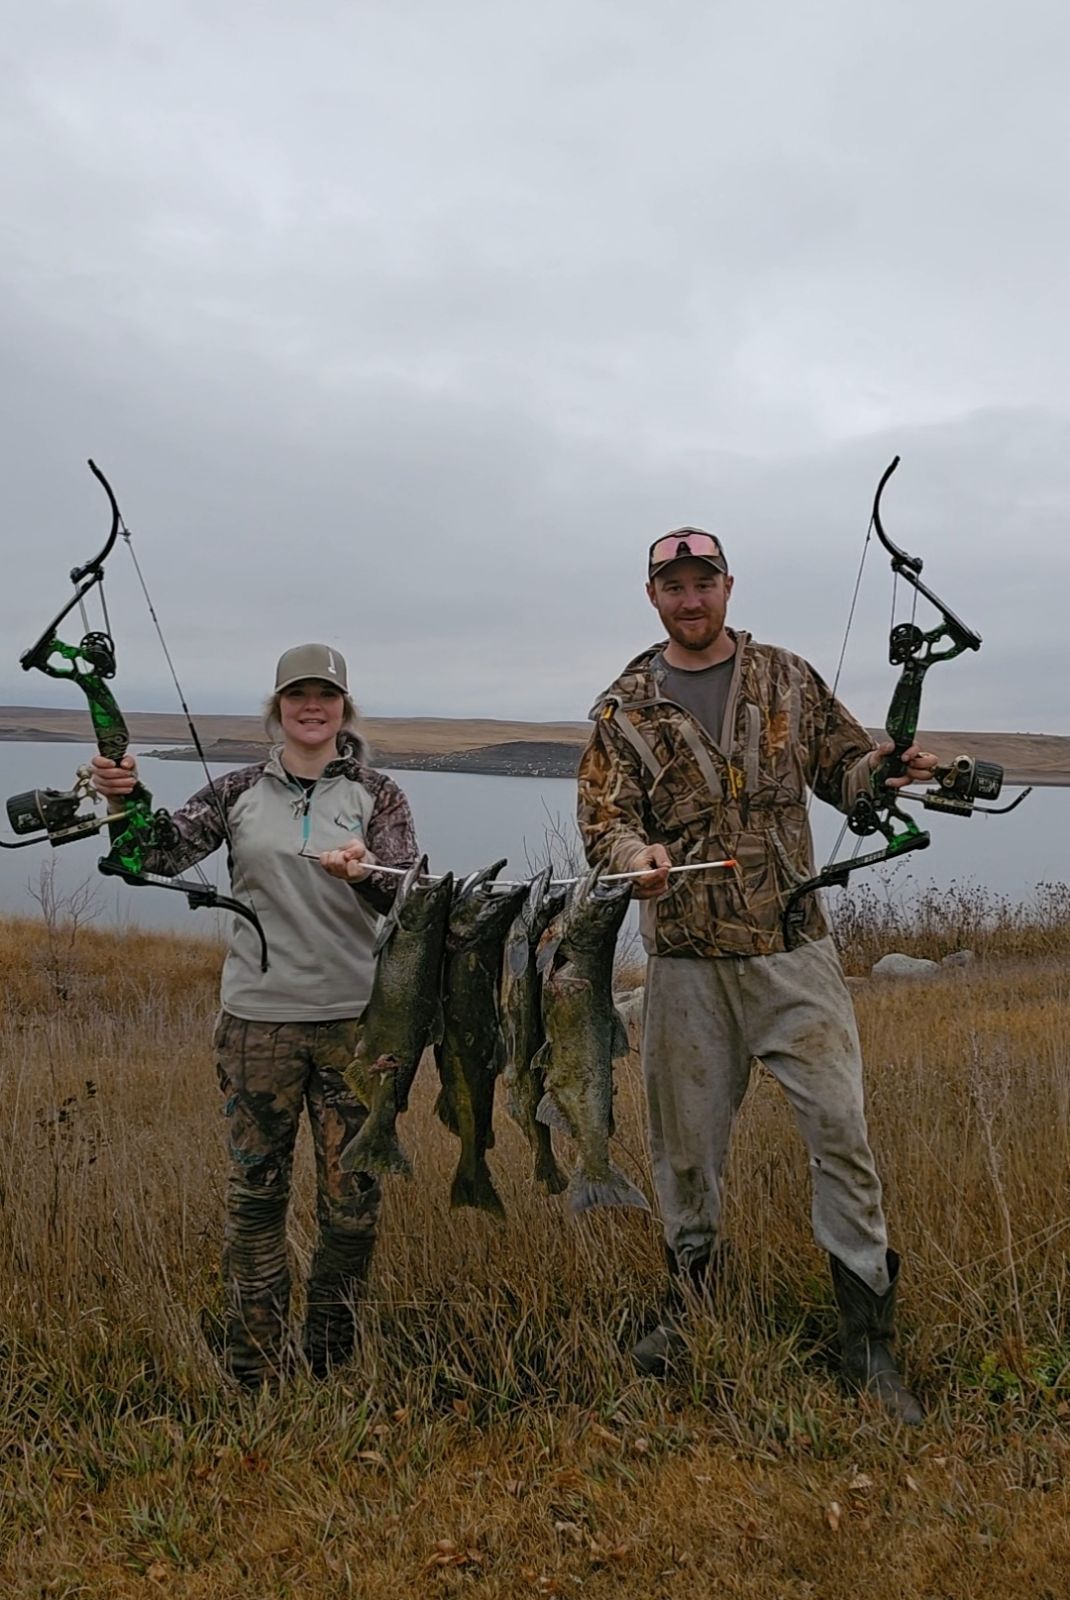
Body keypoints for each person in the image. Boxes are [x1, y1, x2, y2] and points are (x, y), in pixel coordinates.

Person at [577, 528, 934, 1424]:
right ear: (652, 596)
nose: (690, 599)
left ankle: (868, 1343)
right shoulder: (623, 708)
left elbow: (844, 770)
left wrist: (881, 772)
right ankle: (691, 1307)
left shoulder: (786, 676)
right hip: (686, 968)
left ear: (728, 587)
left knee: (842, 1135)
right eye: (674, 586)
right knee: (683, 1154)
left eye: (704, 583)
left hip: (792, 954)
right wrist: (636, 853)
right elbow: (603, 822)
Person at [91, 643, 418, 1387]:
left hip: (357, 1030)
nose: (313, 707)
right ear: (277, 707)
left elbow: (410, 893)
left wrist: (366, 874)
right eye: (298, 695)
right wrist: (122, 795)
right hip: (257, 1026)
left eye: (326, 696)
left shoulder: (380, 794)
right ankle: (253, 1366)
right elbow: (153, 857)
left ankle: (330, 1359)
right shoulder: (236, 790)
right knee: (255, 1199)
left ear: (344, 708)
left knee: (352, 1208)